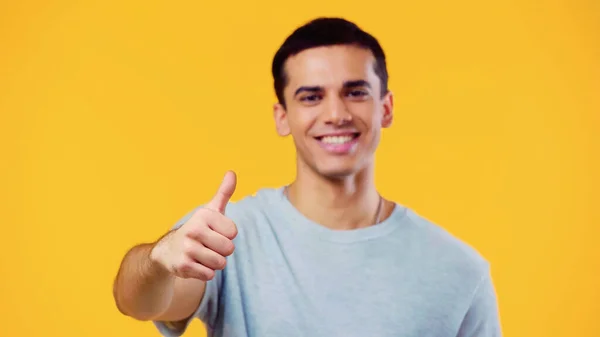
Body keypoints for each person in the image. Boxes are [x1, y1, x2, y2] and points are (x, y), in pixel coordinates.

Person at [112, 17, 502, 337]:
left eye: (355, 92)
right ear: (283, 117)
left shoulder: (460, 270)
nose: (336, 114)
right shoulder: (227, 237)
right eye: (311, 96)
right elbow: (138, 303)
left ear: (386, 108)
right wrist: (159, 260)